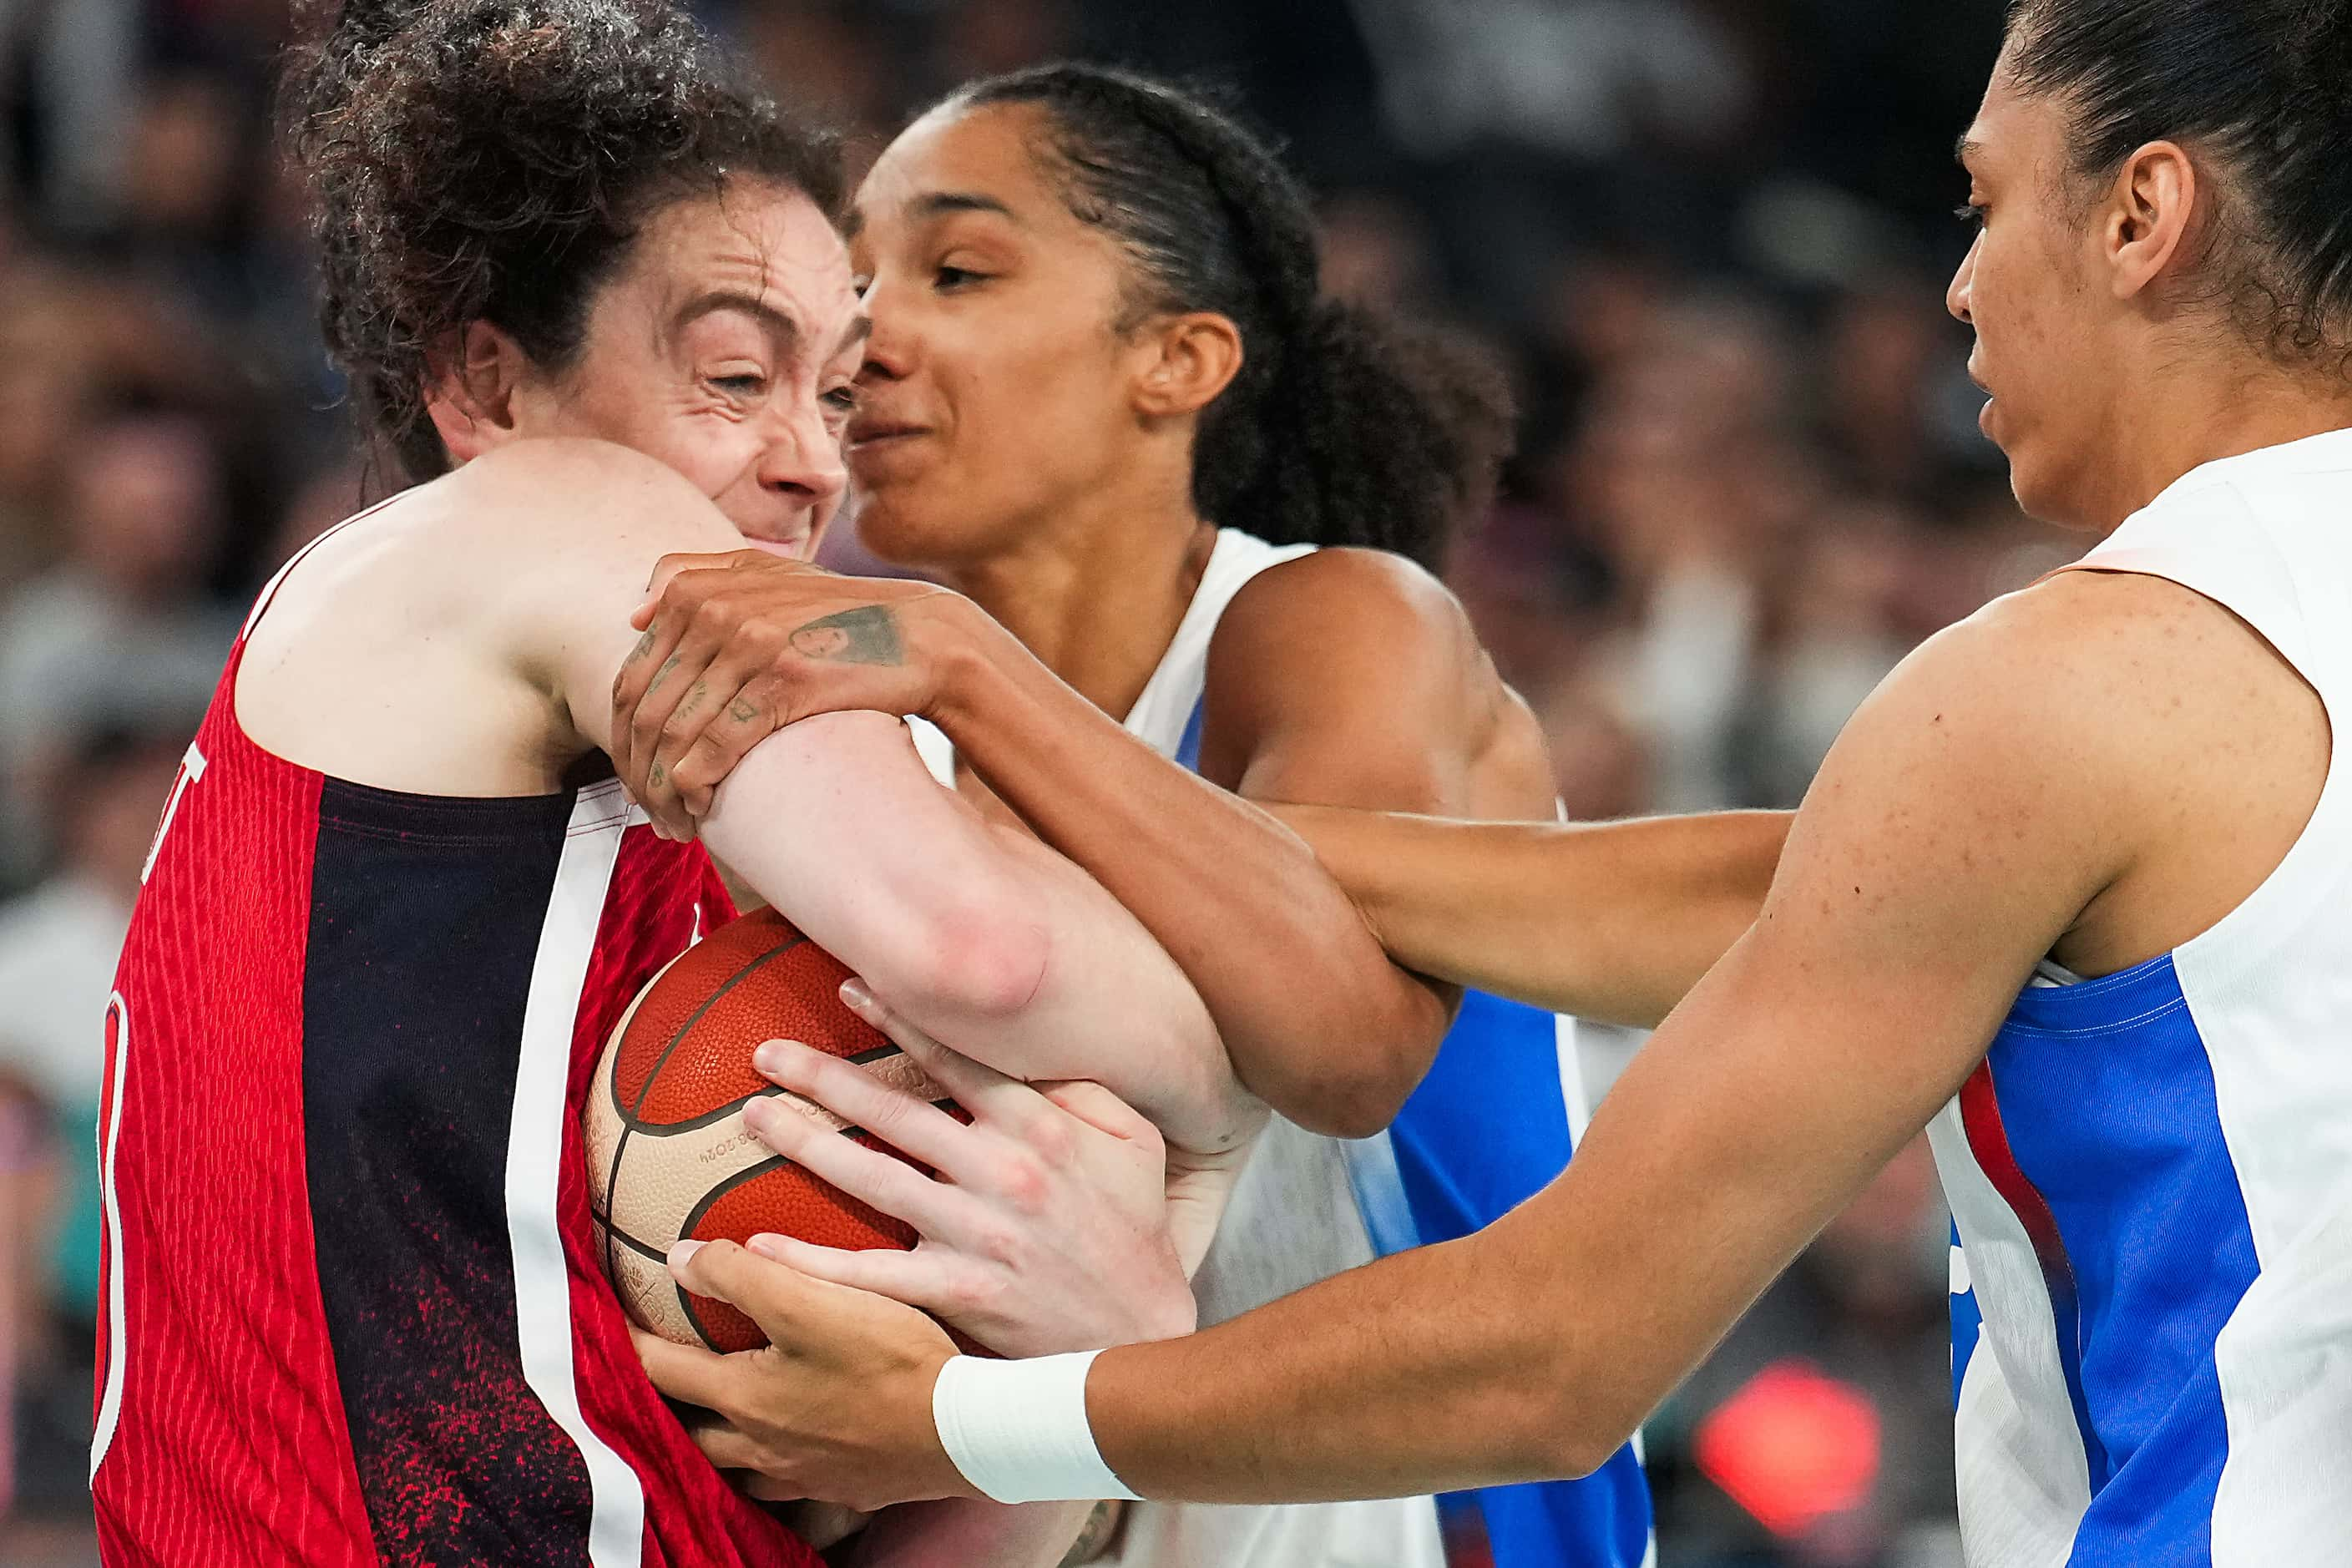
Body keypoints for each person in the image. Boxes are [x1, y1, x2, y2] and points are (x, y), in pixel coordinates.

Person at [629, 4, 2352, 1564]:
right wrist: (1023, 782)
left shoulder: (2068, 681)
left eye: (1982, 204)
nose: (1958, 283)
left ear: (2139, 216)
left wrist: (943, 1425)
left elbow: (1545, 1329)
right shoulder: (2132, 716)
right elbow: (1791, 890)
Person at [95, 5, 1264, 1565]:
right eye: (734, 374)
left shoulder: (726, 820)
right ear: (490, 388)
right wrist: (1220, 1132)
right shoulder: (540, 511)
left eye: (836, 396)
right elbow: (991, 953)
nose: (811, 462)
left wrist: (1093, 1352)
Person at [611, 62, 1783, 1568]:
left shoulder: (1329, 618)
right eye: (852, 280)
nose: (864, 335)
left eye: (956, 270)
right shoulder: (874, 741)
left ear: (1177, 360)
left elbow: (1347, 1048)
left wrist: (970, 673)